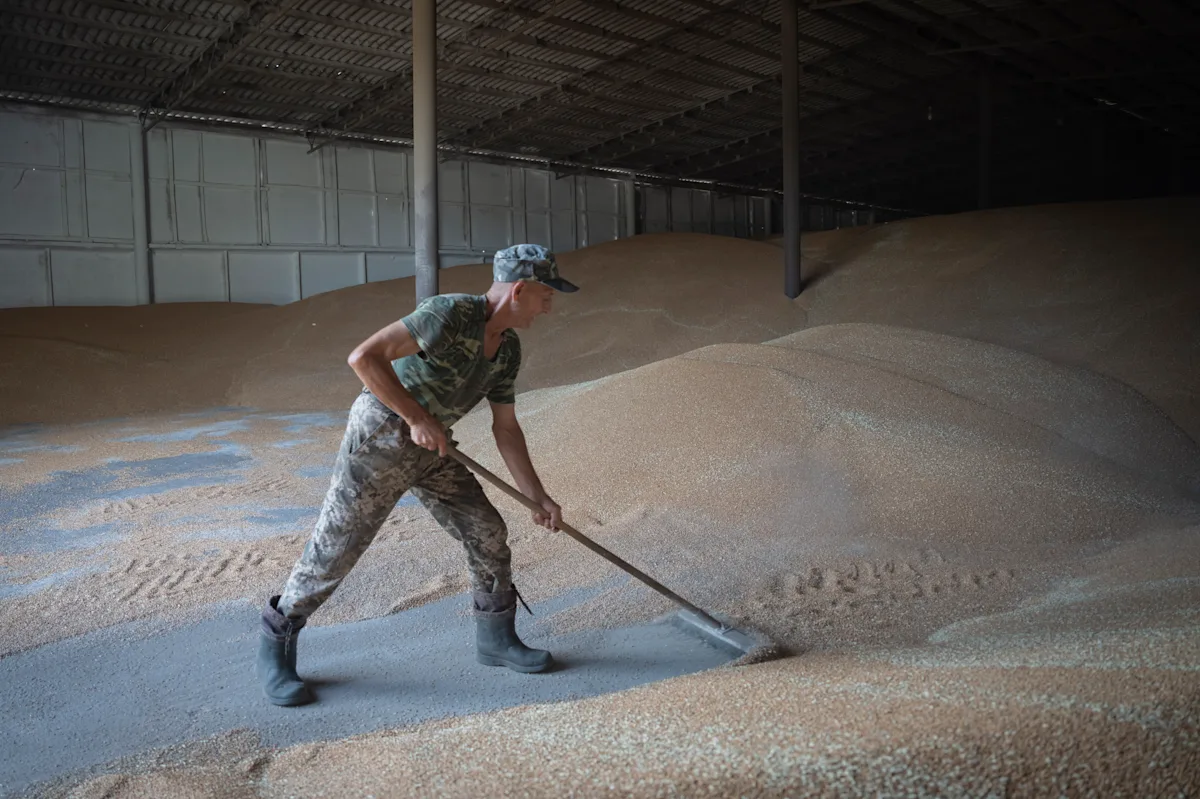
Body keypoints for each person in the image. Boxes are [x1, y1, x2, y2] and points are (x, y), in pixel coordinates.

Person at [256, 243, 579, 707]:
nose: (550, 306)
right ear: (521, 289)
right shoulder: (449, 313)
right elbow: (364, 358)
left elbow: (506, 428)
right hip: (381, 437)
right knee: (336, 549)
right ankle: (276, 646)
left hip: (434, 447)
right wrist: (415, 417)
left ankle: (496, 640)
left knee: (487, 531)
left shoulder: (507, 350)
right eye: (546, 295)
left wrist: (537, 497)